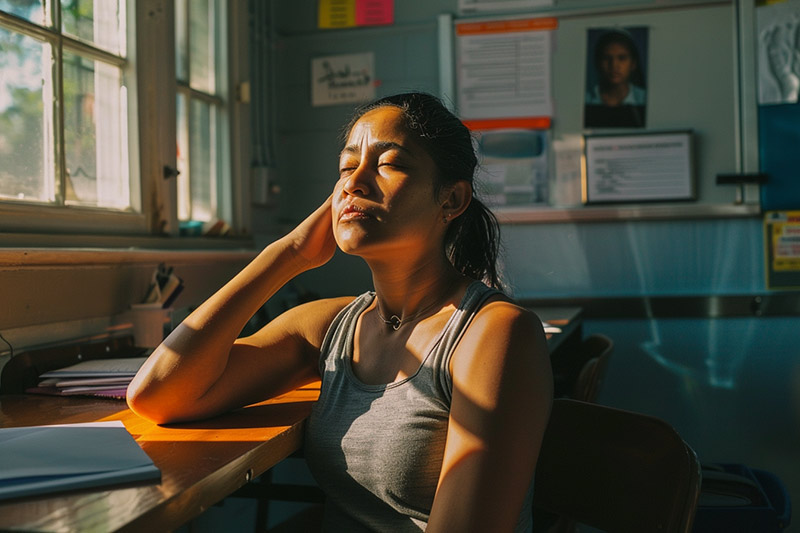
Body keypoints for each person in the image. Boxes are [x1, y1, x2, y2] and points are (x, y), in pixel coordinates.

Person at [126, 92, 553, 532]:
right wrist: (288, 253)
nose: (355, 184)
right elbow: (157, 396)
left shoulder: (495, 333)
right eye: (347, 167)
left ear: (452, 199)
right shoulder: (330, 327)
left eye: (388, 164)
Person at [584, 28, 647, 127]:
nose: (614, 65)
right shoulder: (586, 100)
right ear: (598, 63)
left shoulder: (644, 99)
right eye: (606, 58)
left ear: (633, 63)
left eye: (622, 58)